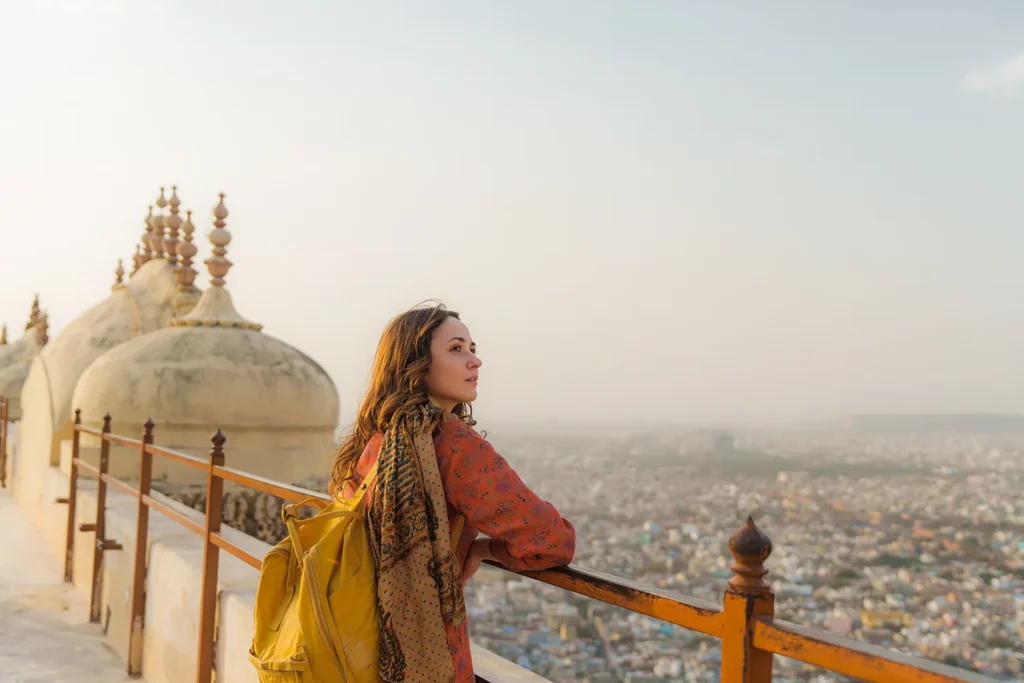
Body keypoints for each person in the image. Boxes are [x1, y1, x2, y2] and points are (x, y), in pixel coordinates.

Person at [328, 302, 576, 683]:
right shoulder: (448, 442)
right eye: (456, 349)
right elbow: (552, 541)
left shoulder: (375, 439)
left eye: (473, 350)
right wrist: (486, 549)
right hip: (426, 655)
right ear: (417, 364)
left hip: (352, 641)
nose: (475, 362)